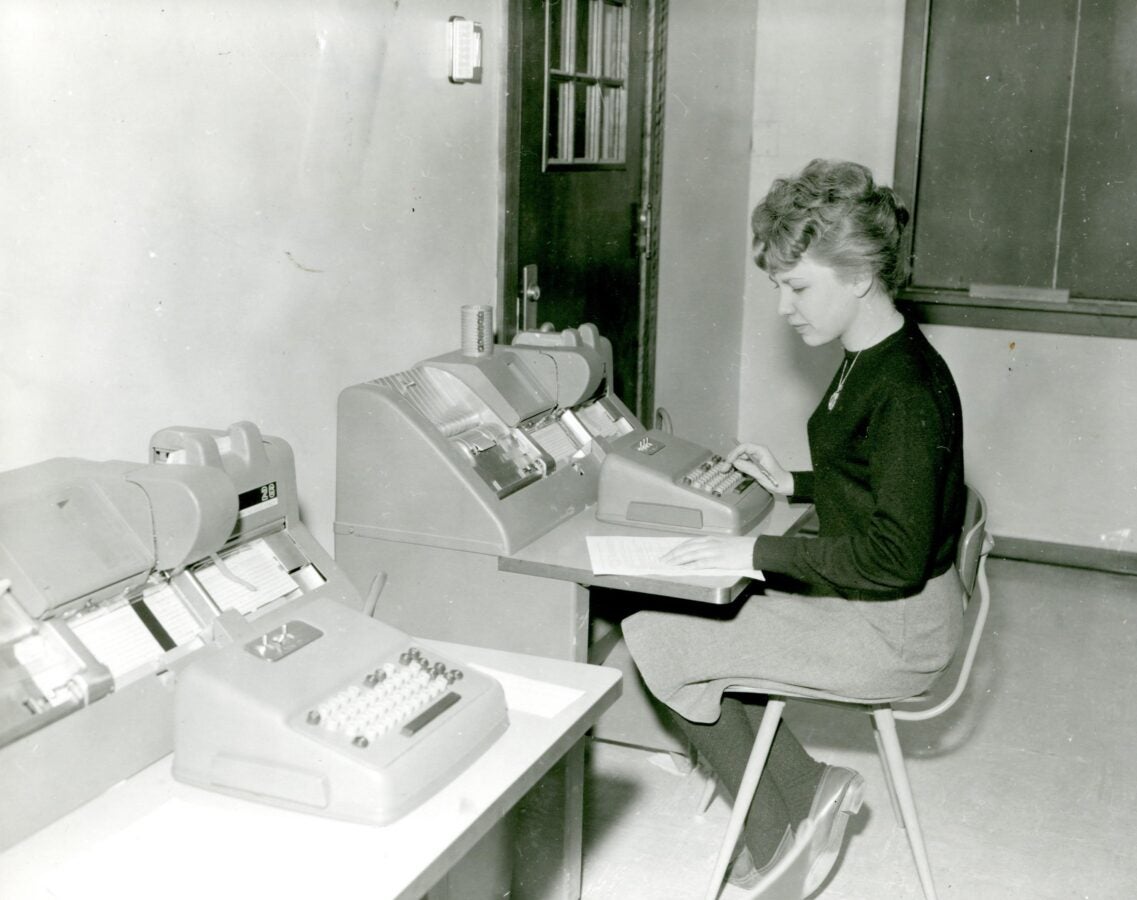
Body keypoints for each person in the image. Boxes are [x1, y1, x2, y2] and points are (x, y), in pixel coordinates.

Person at [622, 158, 965, 896]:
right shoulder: (873, 357)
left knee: (656, 629)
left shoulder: (901, 388)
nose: (783, 306)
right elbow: (898, 486)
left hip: (894, 630)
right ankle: (802, 789)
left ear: (859, 276)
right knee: (706, 613)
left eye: (796, 285)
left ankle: (773, 832)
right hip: (891, 609)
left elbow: (894, 555)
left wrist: (748, 548)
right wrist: (795, 485)